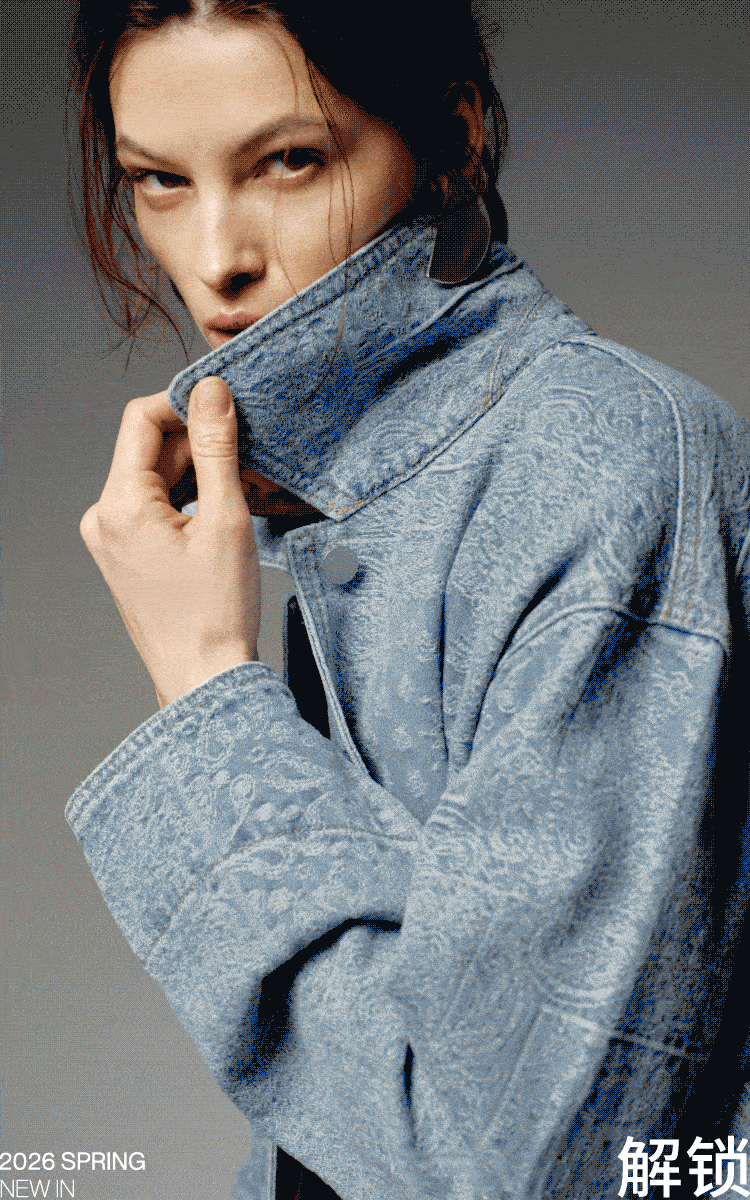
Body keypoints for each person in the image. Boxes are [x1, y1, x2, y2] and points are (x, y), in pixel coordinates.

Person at [65, 1, 750, 1197]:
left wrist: (208, 688)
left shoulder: (612, 467)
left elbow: (503, 1168)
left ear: (451, 139)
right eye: (160, 181)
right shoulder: (337, 504)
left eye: (290, 161)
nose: (217, 258)